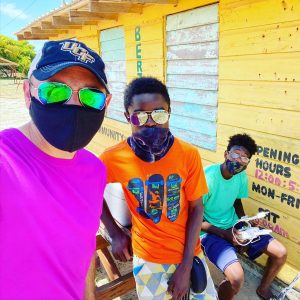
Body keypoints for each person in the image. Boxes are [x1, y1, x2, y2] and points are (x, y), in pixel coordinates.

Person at [0, 39, 112, 300]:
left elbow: (83, 252)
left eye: (91, 95)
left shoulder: (95, 170)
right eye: (55, 91)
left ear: (106, 102)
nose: (73, 105)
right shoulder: (5, 161)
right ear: (28, 93)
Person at [100, 77, 217, 300]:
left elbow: (196, 209)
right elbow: (90, 193)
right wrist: (114, 232)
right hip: (148, 257)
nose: (151, 123)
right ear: (128, 117)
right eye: (140, 116)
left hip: (189, 253)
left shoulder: (188, 154)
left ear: (169, 112)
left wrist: (184, 268)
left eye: (159, 114)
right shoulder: (113, 158)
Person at [201, 134, 287, 300]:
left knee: (280, 253)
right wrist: (226, 235)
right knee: (237, 278)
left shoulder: (240, 176)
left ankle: (264, 288)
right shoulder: (207, 177)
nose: (239, 161)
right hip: (209, 231)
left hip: (234, 225)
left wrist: (245, 222)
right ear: (226, 154)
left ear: (247, 164)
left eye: (245, 158)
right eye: (235, 155)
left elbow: (236, 201)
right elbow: (195, 220)